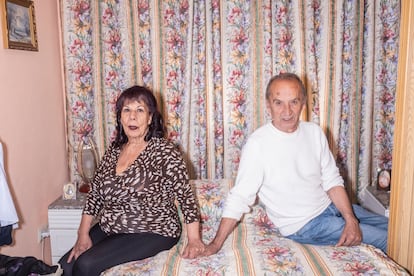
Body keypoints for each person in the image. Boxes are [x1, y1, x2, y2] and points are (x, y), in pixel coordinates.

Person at [202, 72, 388, 257]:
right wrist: (215, 244)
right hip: (305, 225)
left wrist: (350, 218)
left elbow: (332, 180)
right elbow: (240, 197)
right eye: (278, 103)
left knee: (396, 228)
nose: (287, 111)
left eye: (294, 102)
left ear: (303, 104)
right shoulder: (258, 144)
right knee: (387, 239)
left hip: (330, 207)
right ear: (268, 106)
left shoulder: (314, 132)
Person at [59, 86, 204, 275]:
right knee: (67, 264)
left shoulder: (165, 152)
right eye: (127, 110)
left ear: (150, 118)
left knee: (85, 265)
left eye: (140, 110)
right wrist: (82, 233)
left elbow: (186, 198)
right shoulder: (114, 150)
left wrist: (194, 240)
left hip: (154, 230)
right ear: (120, 117)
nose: (132, 116)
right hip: (112, 226)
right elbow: (95, 195)